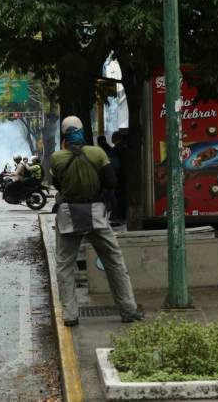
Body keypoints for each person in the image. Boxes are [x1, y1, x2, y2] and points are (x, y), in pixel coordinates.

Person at [51, 116, 143, 326]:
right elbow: (111, 180)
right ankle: (128, 309)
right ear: (82, 131)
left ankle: (70, 315)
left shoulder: (56, 158)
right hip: (96, 214)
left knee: (65, 266)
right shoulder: (98, 153)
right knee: (114, 261)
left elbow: (56, 184)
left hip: (68, 215)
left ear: (64, 136)